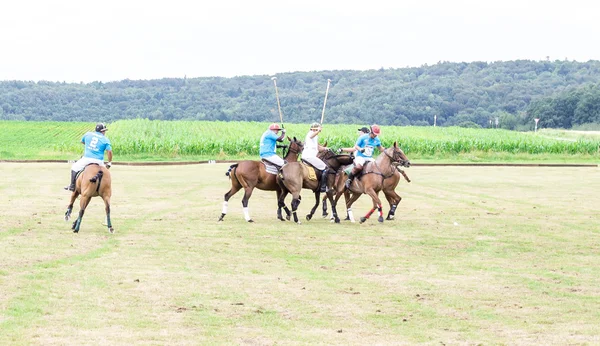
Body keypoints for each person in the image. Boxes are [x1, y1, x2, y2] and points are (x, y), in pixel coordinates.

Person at [64, 123, 113, 191]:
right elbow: (109, 151)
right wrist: (109, 162)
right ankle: (106, 189)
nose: (104, 132)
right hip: (99, 161)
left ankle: (72, 186)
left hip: (87, 158)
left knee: (74, 167)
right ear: (102, 131)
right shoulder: (105, 139)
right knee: (106, 174)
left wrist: (90, 147)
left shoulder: (88, 134)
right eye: (104, 131)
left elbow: (82, 141)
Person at [344, 124, 384, 189]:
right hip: (360, 157)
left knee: (378, 167)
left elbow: (380, 148)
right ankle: (349, 180)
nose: (375, 135)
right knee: (359, 167)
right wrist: (360, 149)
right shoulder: (363, 137)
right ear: (371, 131)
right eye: (375, 134)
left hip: (369, 158)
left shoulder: (377, 139)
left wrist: (387, 150)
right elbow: (356, 146)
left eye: (377, 134)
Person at [302, 122, 328, 192]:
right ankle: (323, 187)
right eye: (318, 128)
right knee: (325, 168)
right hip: (309, 156)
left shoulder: (315, 136)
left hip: (310, 156)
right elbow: (311, 136)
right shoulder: (310, 133)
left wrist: (326, 149)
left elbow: (319, 148)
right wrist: (318, 130)